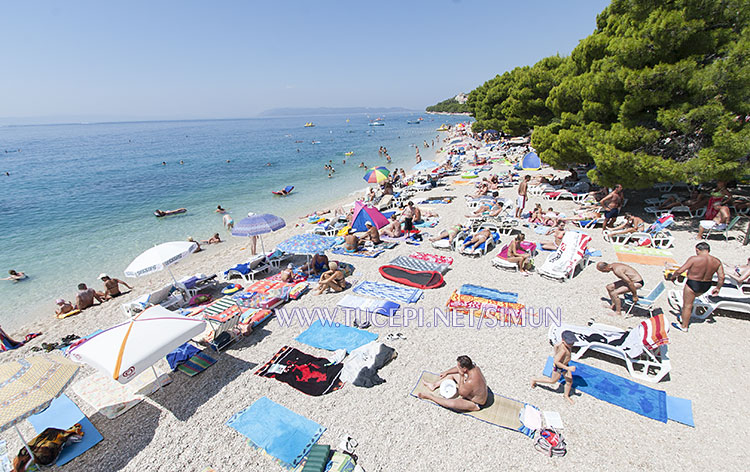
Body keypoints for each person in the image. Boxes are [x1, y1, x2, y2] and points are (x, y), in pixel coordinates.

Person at [667, 242, 724, 332]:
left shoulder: (694, 259)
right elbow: (721, 277)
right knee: (691, 302)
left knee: (687, 305)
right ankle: (684, 317)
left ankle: (684, 326)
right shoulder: (717, 261)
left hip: (693, 283)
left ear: (697, 250)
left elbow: (681, 270)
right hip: (706, 285)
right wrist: (718, 288)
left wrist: (673, 276)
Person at [417, 355, 489, 412]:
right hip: (474, 391)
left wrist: (461, 376)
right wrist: (447, 372)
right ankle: (434, 385)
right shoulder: (475, 367)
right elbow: (458, 369)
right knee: (452, 374)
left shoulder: (470, 381)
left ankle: (430, 396)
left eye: (459, 367)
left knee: (451, 404)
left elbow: (461, 393)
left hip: (477, 403)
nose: (457, 367)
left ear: (464, 369)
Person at [530, 330, 577, 405]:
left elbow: (555, 346)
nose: (571, 344)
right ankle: (535, 379)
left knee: (569, 381)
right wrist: (568, 368)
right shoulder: (563, 350)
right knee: (552, 381)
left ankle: (566, 395)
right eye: (569, 342)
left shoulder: (566, 345)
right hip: (559, 367)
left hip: (565, 366)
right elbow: (556, 362)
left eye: (572, 342)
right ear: (563, 341)